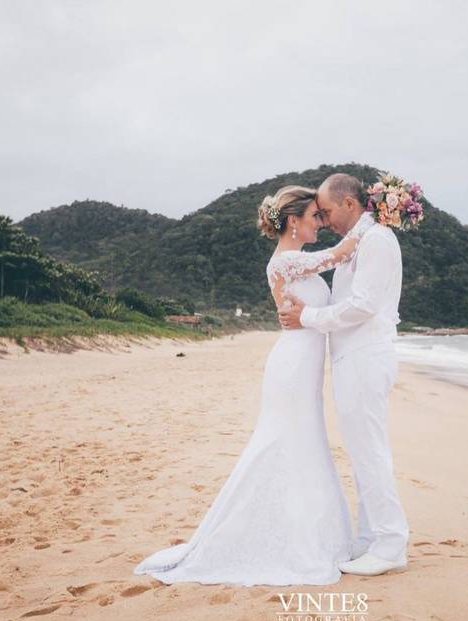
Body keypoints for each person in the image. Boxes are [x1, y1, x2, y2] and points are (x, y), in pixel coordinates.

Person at [133, 185, 372, 586]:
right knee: (286, 443)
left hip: (305, 365)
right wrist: (374, 217)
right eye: (316, 215)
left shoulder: (296, 261)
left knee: (304, 443)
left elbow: (332, 264)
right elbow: (339, 254)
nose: (321, 222)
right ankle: (279, 537)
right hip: (293, 366)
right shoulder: (285, 263)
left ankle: (305, 531)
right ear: (294, 220)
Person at [277, 173, 409, 577]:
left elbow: (363, 305)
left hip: (366, 357)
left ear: (350, 205)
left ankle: (390, 543)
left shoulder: (378, 241)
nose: (326, 219)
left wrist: (308, 318)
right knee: (362, 451)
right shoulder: (358, 244)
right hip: (353, 358)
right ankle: (371, 540)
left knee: (369, 452)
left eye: (328, 211)